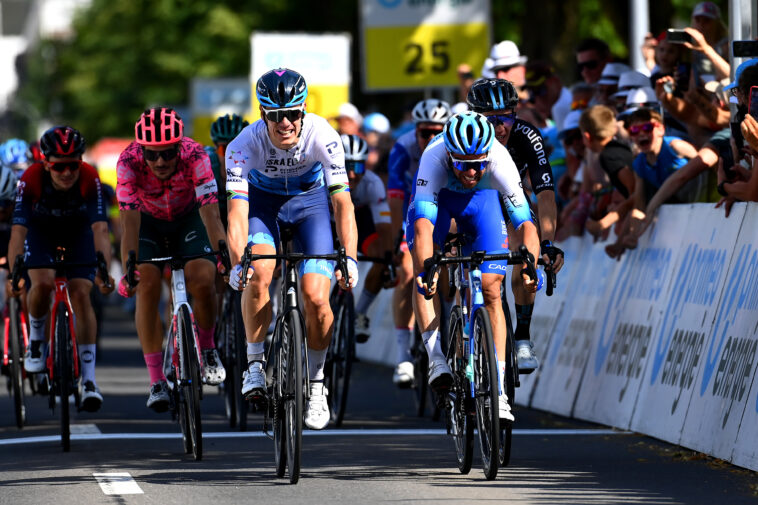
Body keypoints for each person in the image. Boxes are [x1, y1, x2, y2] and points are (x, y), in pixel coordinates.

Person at [225, 68, 359, 430]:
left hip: (309, 206)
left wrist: (349, 256)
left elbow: (342, 204)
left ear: (303, 111)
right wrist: (239, 262)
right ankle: (254, 364)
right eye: (274, 115)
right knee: (259, 273)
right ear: (262, 114)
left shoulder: (324, 135)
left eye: (292, 114)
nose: (284, 122)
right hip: (263, 208)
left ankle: (317, 385)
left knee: (317, 297)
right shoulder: (243, 145)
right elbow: (237, 213)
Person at [408, 111, 540, 422]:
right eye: (463, 164)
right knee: (424, 272)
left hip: (484, 205)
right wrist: (428, 266)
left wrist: (530, 263)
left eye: (479, 163)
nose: (471, 170)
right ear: (449, 154)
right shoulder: (434, 155)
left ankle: (499, 393)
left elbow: (526, 223)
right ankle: (437, 357)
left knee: (493, 290)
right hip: (441, 203)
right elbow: (424, 226)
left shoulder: (500, 157)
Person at [117, 107, 227, 413]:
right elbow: (128, 222)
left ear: (180, 146)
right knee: (147, 283)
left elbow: (211, 212)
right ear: (142, 150)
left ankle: (206, 346)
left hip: (189, 218)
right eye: (152, 155)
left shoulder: (196, 156)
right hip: (149, 224)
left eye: (168, 153)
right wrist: (129, 267)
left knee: (203, 278)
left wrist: (221, 255)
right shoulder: (127, 161)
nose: (161, 161)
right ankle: (156, 380)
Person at [7, 126, 114, 412]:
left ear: (81, 161)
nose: (67, 173)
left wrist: (105, 268)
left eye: (72, 165)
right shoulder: (30, 179)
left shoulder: (90, 177)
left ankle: (89, 381)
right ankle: (38, 341)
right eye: (58, 167)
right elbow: (18, 232)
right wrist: (15, 273)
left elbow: (101, 228)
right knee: (41, 284)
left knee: (81, 293)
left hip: (79, 234)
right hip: (41, 234)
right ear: (45, 164)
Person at [466, 78, 564, 372]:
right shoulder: (463, 133)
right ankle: (458, 326)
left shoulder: (527, 135)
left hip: (511, 204)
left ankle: (522, 336)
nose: (500, 128)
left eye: (506, 118)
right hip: (471, 204)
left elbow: (545, 193)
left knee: (526, 257)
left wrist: (547, 243)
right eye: (491, 120)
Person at [386, 98, 451, 386]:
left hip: (444, 207)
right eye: (425, 132)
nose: (431, 138)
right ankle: (403, 355)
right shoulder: (403, 147)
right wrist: (400, 232)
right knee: (409, 271)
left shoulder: (453, 145)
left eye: (438, 131)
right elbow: (395, 194)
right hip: (414, 207)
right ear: (415, 132)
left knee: (448, 271)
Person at [341, 134, 393, 342]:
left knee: (380, 258)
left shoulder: (373, 183)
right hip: (327, 221)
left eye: (358, 167)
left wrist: (389, 260)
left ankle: (359, 313)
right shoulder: (320, 178)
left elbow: (383, 226)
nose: (352, 174)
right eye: (346, 166)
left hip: (360, 222)